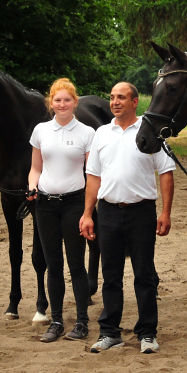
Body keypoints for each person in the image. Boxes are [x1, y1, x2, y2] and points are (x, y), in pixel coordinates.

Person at [79, 82, 174, 354]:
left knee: (144, 275)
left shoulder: (150, 131)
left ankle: (147, 333)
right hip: (107, 211)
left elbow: (166, 173)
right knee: (111, 275)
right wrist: (87, 214)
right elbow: (93, 176)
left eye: (121, 97)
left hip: (141, 211)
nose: (115, 102)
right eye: (112, 97)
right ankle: (110, 332)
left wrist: (165, 211)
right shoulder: (101, 133)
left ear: (135, 102)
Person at [27, 78, 94, 343]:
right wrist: (32, 187)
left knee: (76, 264)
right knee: (53, 264)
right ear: (50, 103)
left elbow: (92, 173)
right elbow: (36, 168)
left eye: (67, 100)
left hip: (74, 203)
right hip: (45, 205)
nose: (62, 104)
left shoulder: (87, 133)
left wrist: (90, 207)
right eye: (57, 100)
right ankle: (56, 321)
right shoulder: (40, 131)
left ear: (75, 102)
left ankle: (81, 322)